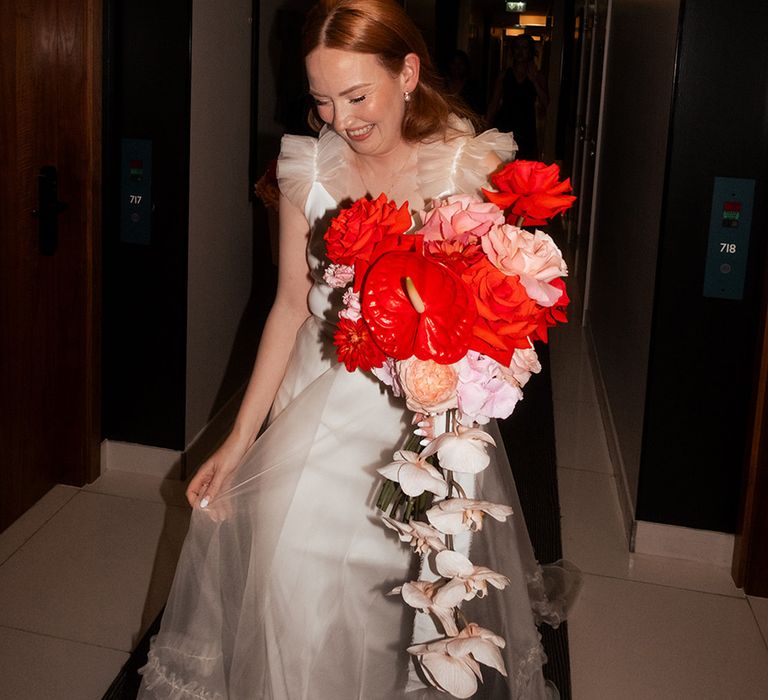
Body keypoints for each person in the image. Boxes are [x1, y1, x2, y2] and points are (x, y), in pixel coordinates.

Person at [139, 2, 575, 698]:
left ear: (406, 74)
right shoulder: (306, 172)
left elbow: (498, 305)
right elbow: (287, 305)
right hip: (311, 424)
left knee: (398, 609)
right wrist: (236, 441)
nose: (342, 119)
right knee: (294, 591)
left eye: (356, 95)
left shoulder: (466, 166)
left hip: (418, 432)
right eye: (322, 100)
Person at [486, 35, 549, 161]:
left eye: (524, 48)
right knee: (502, 165)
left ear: (530, 51)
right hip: (505, 126)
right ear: (513, 50)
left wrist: (534, 81)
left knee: (524, 169)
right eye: (517, 47)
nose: (520, 51)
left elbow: (546, 103)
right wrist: (485, 127)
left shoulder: (538, 76)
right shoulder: (504, 75)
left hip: (526, 128)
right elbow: (494, 103)